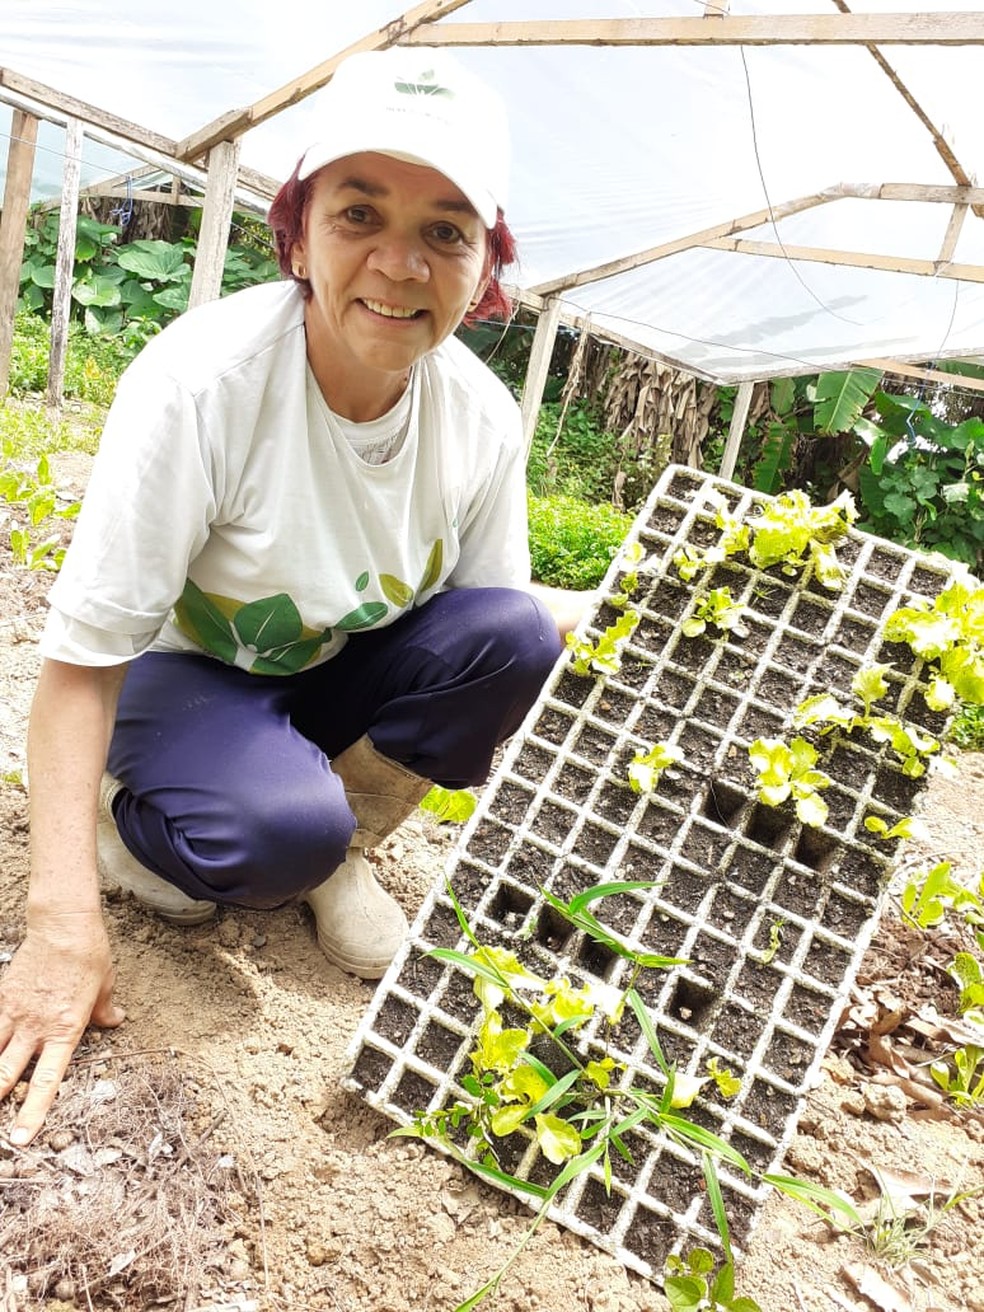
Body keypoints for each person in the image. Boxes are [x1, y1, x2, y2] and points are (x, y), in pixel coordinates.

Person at [0, 47, 590, 1146]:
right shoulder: (202, 386)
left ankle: (343, 853)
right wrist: (59, 919)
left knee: (513, 637)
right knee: (271, 837)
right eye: (360, 212)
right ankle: (136, 831)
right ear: (299, 230)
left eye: (446, 232)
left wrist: (642, 605)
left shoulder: (479, 418)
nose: (399, 264)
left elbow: (489, 619)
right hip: (179, 680)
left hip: (326, 672)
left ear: (485, 269)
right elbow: (79, 665)